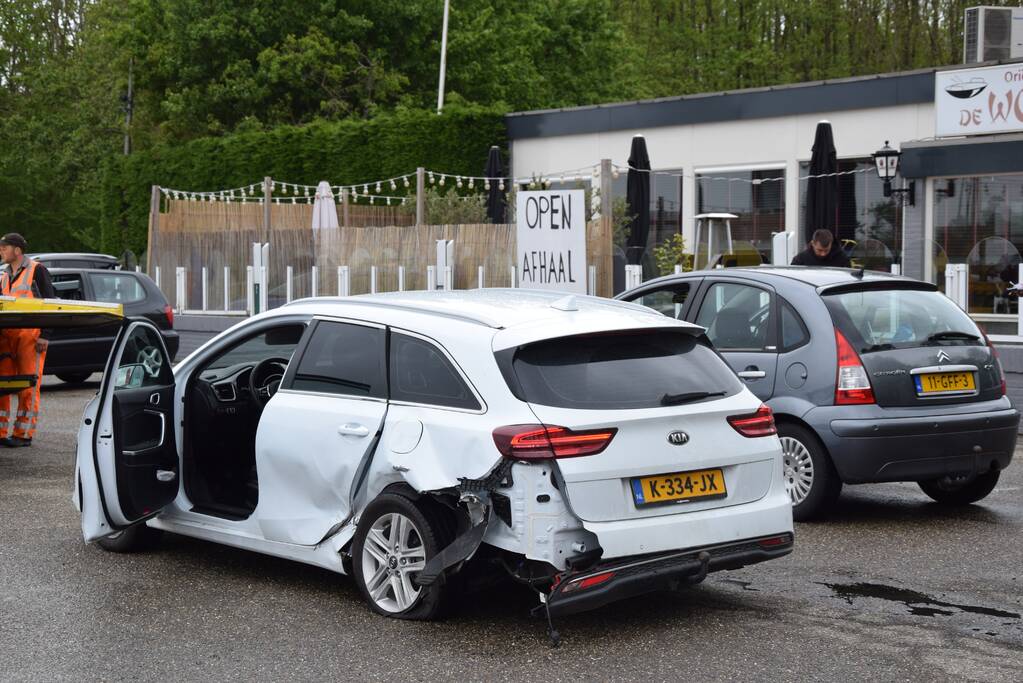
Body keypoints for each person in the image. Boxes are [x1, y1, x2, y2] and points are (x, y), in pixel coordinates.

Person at [0, 233, 55, 447]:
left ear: (17, 250)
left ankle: (23, 434)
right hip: (7, 337)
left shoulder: (37, 270)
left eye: (4, 248)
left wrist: (45, 335)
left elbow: (50, 303)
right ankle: (1, 432)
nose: (1, 251)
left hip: (30, 337)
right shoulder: (4, 275)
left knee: (28, 388)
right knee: (3, 385)